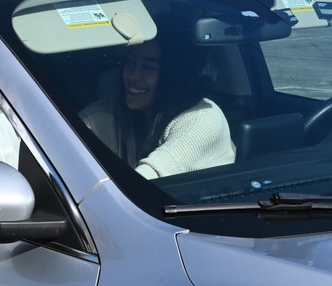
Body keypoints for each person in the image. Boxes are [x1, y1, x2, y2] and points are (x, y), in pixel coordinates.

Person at [81, 31, 235, 178]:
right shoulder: (98, 118)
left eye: (148, 67)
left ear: (176, 76)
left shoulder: (203, 119)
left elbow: (146, 181)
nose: (133, 76)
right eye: (130, 62)